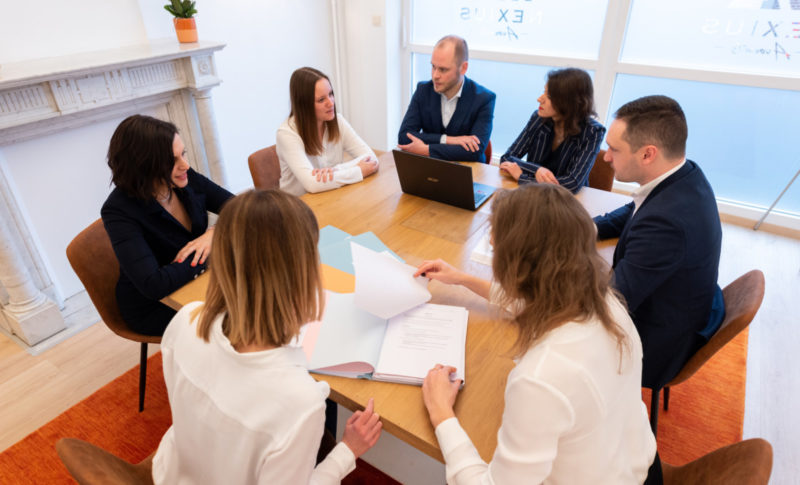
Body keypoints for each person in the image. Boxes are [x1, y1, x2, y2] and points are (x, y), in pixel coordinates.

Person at [415, 184, 658, 484]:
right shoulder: (606, 301)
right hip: (635, 463)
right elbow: (531, 300)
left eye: (494, 245)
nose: (491, 244)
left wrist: (441, 413)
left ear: (517, 267)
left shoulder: (540, 377)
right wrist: (463, 279)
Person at [152, 189, 383, 484]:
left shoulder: (186, 319)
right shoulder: (300, 403)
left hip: (175, 472)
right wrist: (348, 451)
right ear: (303, 274)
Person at [593, 95, 724, 390]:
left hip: (652, 345)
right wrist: (590, 228)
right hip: (676, 306)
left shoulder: (667, 224)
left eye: (614, 149)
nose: (606, 157)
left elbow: (612, 301)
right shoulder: (684, 175)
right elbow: (637, 208)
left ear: (648, 154)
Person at [101, 114, 233, 336]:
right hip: (155, 306)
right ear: (144, 166)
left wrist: (216, 233)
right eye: (172, 161)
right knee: (238, 314)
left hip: (195, 282)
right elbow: (154, 284)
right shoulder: (118, 210)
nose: (185, 165)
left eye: (183, 154)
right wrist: (211, 250)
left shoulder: (183, 177)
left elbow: (238, 206)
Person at [499, 68, 605, 193]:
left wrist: (522, 178)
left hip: (567, 202)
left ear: (569, 103)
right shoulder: (538, 118)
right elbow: (507, 158)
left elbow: (572, 184)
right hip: (533, 195)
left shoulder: (593, 131)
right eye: (543, 92)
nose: (540, 99)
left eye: (548, 96)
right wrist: (537, 170)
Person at [277, 67, 379, 196]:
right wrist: (358, 170)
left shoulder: (338, 121)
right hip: (298, 208)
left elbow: (372, 159)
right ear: (304, 105)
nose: (331, 103)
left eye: (331, 94)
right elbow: (312, 184)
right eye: (321, 100)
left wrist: (335, 171)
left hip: (330, 196)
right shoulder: (287, 134)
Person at [397, 35, 496, 163]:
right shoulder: (423, 90)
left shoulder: (484, 99)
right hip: (430, 169)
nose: (435, 75)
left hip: (468, 172)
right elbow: (404, 137)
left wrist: (426, 149)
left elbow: (475, 152)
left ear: (463, 68)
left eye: (443, 69)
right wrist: (448, 140)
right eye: (433, 67)